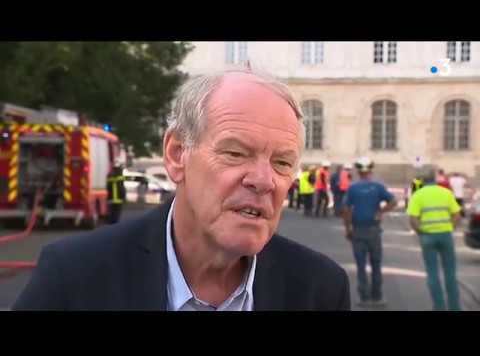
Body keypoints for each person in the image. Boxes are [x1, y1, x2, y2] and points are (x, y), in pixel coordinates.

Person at [12, 68, 350, 311]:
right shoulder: (75, 275)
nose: (263, 180)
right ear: (177, 155)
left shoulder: (319, 289)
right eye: (235, 153)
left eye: (282, 162)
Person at [342, 157, 397, 307]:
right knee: (376, 264)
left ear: (359, 171)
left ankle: (364, 298)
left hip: (358, 231)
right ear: (370, 171)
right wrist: (381, 212)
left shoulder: (353, 188)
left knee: (361, 265)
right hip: (374, 231)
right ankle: (377, 297)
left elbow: (346, 210)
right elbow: (394, 201)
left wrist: (348, 229)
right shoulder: (378, 186)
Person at [407, 166, 462, 311]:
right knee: (450, 273)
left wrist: (420, 232)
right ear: (435, 177)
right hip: (445, 236)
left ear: (422, 180)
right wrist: (450, 227)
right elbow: (457, 215)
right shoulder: (446, 193)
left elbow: (413, 219)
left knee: (432, 274)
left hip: (427, 236)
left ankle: (439, 307)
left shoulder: (418, 195)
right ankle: (455, 307)